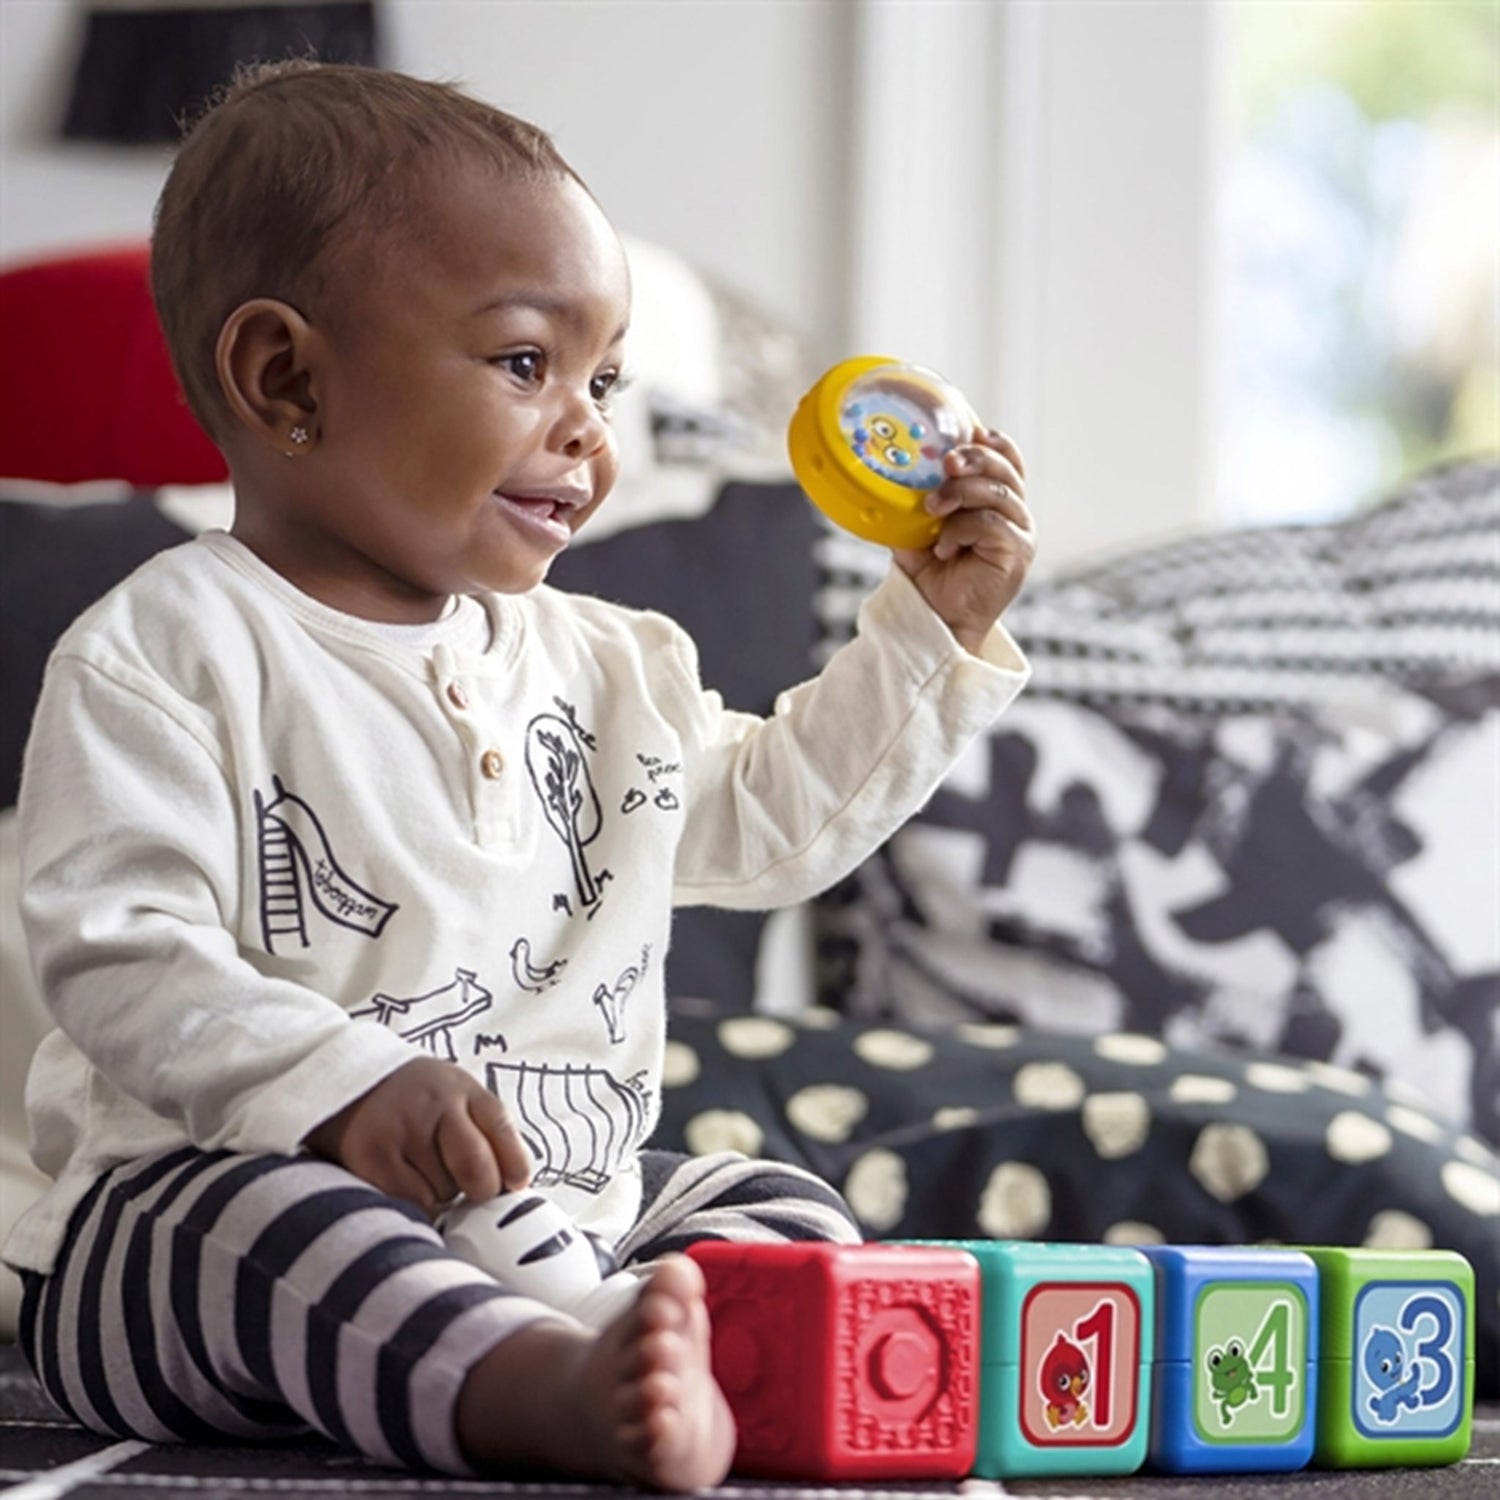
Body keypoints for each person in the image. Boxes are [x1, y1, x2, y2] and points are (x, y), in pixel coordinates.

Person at [3, 60, 1035, 1489]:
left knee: (779, 1206)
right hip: (215, 1214)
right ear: (287, 378)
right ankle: (537, 1386)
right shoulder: (167, 652)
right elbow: (122, 952)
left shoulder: (607, 667)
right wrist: (342, 1087)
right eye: (524, 364)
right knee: (265, 1234)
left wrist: (933, 627)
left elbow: (772, 822)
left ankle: (657, 1354)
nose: (589, 429)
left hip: (559, 1214)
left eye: (605, 380)